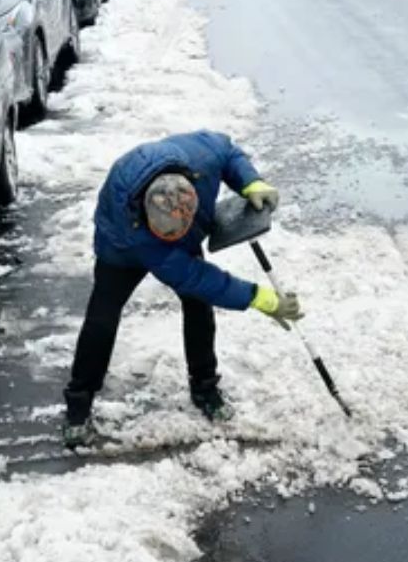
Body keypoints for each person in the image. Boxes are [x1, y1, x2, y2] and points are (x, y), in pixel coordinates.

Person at [62, 131, 304, 447]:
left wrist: (250, 182)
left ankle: (205, 387)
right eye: (168, 235)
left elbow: (229, 152)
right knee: (102, 318)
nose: (175, 240)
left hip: (165, 230)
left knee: (198, 307)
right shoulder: (141, 237)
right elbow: (196, 277)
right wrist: (259, 298)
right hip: (119, 246)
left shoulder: (203, 157)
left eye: (181, 231)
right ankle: (78, 406)